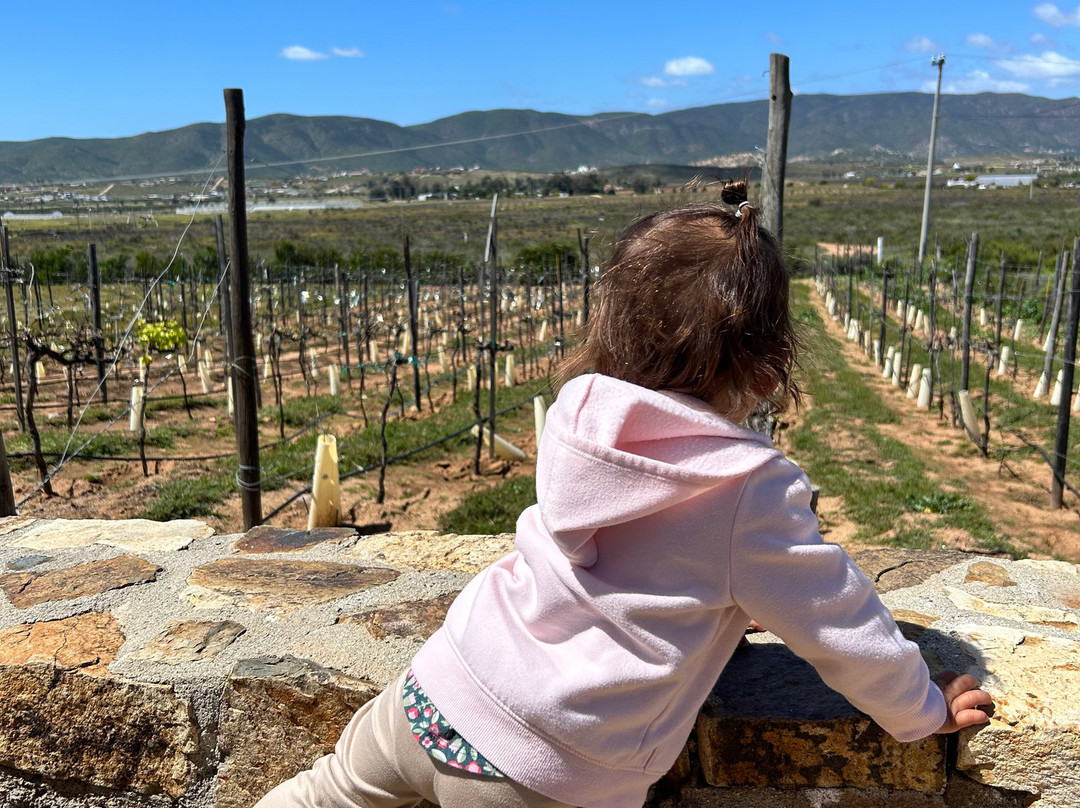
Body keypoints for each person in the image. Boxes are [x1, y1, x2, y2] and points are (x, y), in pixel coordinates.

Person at [256, 181, 992, 808]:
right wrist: (921, 708)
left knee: (328, 791)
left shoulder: (581, 421)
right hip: (540, 766)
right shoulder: (747, 486)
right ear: (769, 366)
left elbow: (637, 569)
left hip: (439, 687)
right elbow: (837, 623)